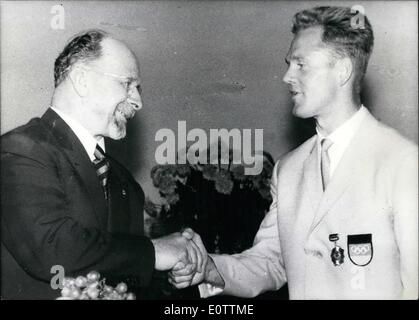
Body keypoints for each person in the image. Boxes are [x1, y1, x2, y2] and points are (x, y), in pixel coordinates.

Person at [170, 6, 418, 299]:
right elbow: (272, 262)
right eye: (289, 64)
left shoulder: (403, 162)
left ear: (342, 71)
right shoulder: (288, 169)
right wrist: (209, 268)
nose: (286, 76)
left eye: (301, 64)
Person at [0, 30, 204, 299]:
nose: (138, 102)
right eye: (128, 84)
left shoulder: (124, 182)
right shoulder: (21, 149)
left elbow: (122, 272)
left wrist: (178, 270)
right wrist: (155, 252)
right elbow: (51, 248)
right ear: (82, 79)